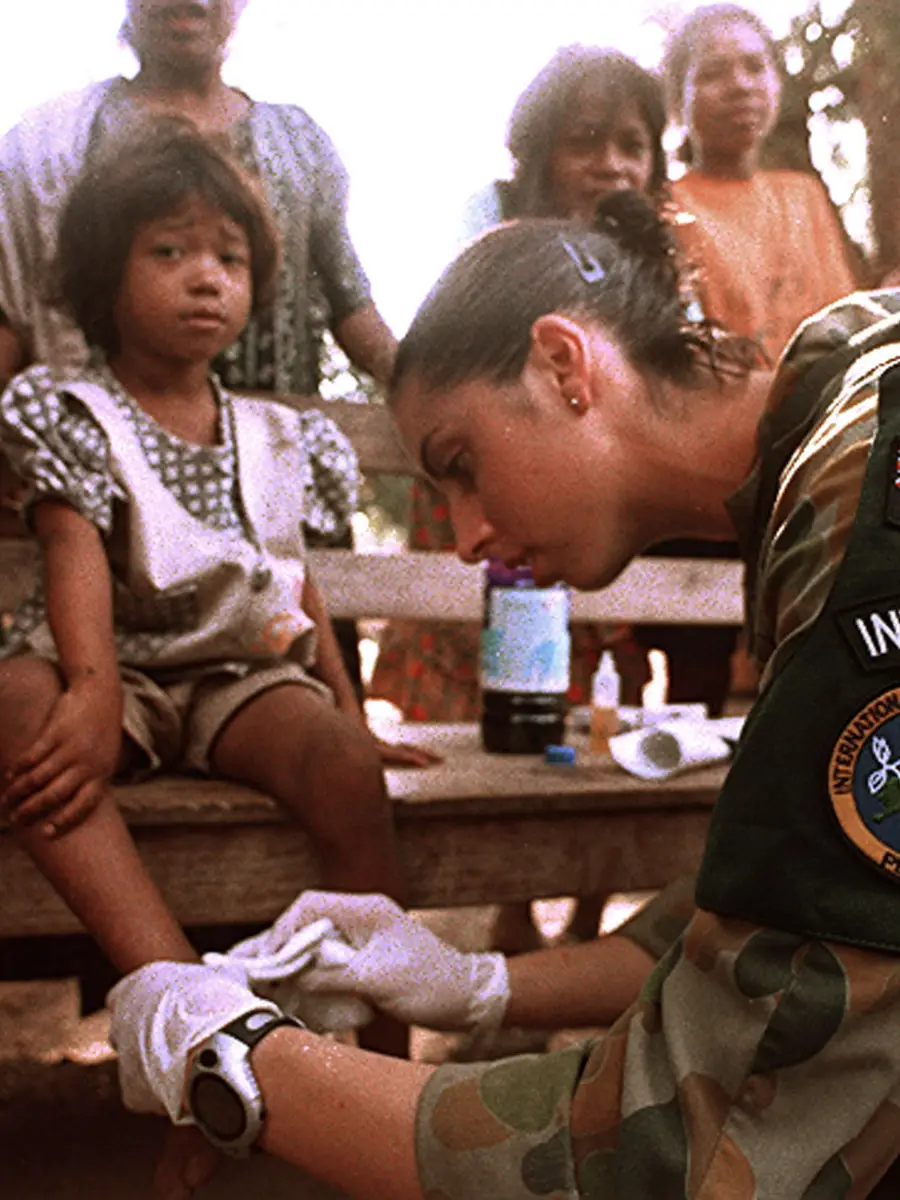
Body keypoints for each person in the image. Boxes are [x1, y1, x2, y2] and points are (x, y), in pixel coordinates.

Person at [110, 189, 900, 1198]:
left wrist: (236, 1062)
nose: (471, 537)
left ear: (564, 366)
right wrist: (477, 985)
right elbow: (787, 916)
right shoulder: (837, 416)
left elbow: (679, 1157)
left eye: (462, 466)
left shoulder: (862, 512)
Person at [0, 120, 418, 1076]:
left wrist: (349, 717)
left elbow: (295, 584)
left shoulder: (279, 432)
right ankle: (195, 1013)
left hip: (237, 674)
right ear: (107, 272)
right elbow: (72, 552)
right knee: (21, 713)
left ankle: (388, 1060)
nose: (206, 277)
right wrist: (92, 690)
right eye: (170, 251)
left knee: (346, 769)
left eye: (229, 258)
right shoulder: (69, 408)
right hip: (110, 668)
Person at [0, 0, 400, 697]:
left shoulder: (297, 141)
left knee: (296, 709)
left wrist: (439, 390)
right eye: (169, 250)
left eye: (230, 259)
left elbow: (350, 300)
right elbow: (9, 307)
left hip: (264, 490)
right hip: (112, 497)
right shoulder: (59, 139)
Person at [371, 46, 666, 726]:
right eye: (585, 142)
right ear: (539, 155)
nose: (612, 165)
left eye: (632, 145)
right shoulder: (490, 234)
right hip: (484, 481)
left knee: (574, 661)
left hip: (590, 513)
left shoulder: (655, 269)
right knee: (469, 638)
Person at [631, 2, 860, 717]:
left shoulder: (805, 198)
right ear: (680, 100)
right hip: (713, 469)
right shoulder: (661, 204)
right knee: (698, 681)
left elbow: (843, 326)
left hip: (811, 466)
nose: (740, 86)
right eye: (714, 73)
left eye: (755, 67)